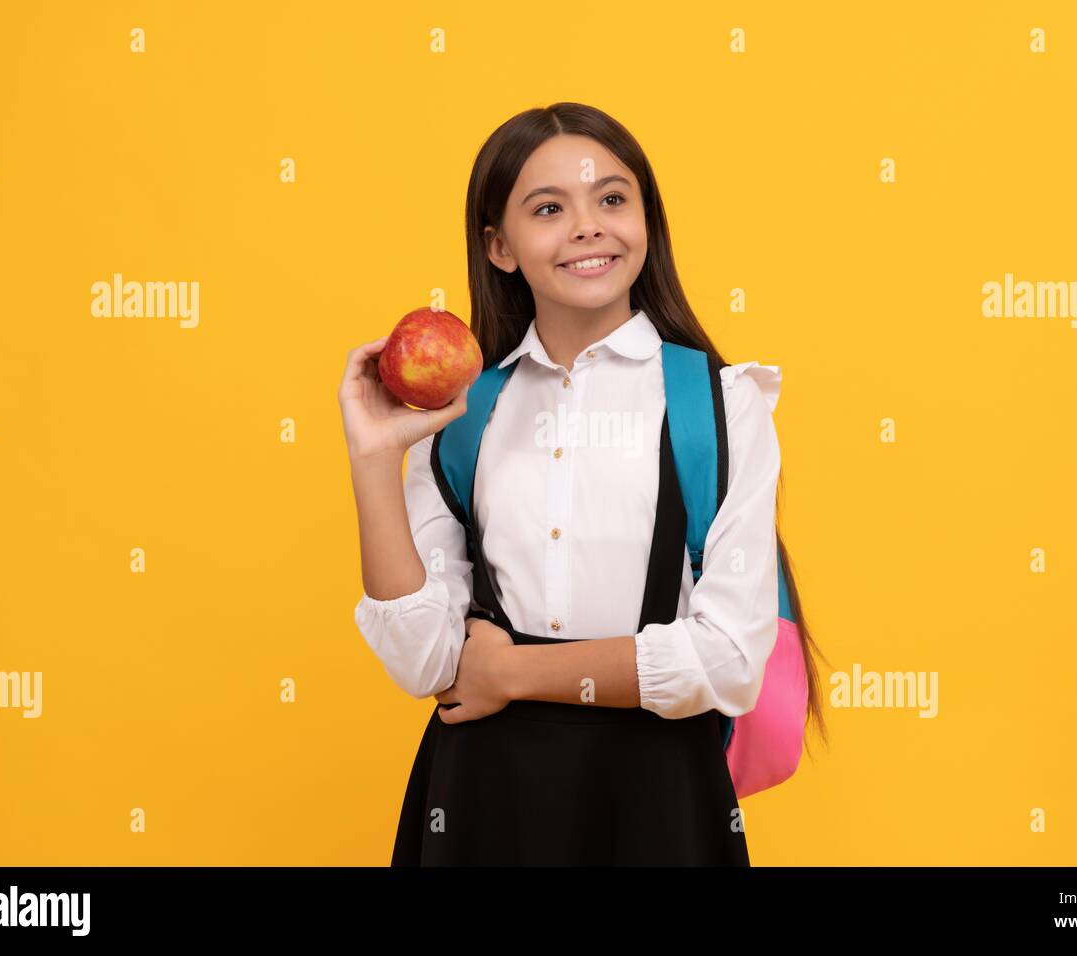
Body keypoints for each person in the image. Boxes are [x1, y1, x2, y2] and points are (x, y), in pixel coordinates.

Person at [339, 102, 825, 866]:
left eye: (611, 199)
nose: (588, 225)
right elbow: (424, 660)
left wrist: (513, 672)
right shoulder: (464, 415)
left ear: (645, 221)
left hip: (658, 801)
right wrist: (374, 457)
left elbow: (727, 659)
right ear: (500, 247)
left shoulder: (723, 405)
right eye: (548, 208)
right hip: (484, 799)